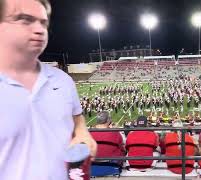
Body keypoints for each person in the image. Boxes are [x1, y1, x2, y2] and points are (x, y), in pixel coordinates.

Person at [0, 0, 97, 179]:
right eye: (24, 19)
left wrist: (83, 135)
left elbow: (79, 124)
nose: (39, 29)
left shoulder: (63, 80)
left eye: (43, 22)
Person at [90, 111, 125, 177]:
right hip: (112, 167)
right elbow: (123, 149)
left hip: (92, 168)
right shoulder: (115, 133)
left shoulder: (88, 133)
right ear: (108, 120)